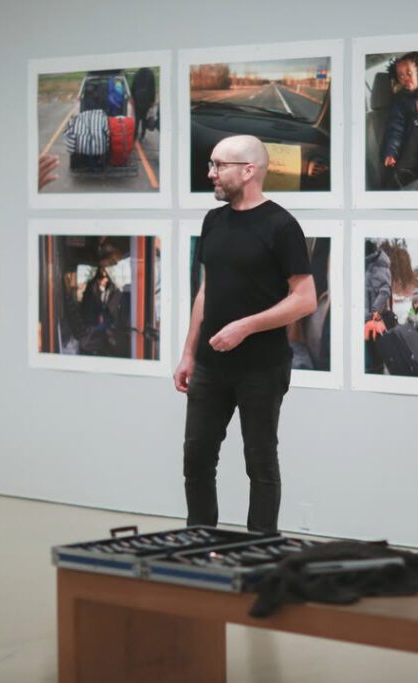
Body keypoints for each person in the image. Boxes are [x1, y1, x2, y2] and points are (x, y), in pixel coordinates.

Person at [173, 135, 316, 534]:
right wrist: (188, 353)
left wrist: (245, 326)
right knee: (196, 459)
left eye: (219, 166)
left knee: (260, 463)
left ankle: (260, 549)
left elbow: (304, 299)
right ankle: (200, 541)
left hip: (261, 368)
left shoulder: (281, 225)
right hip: (209, 365)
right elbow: (206, 289)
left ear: (248, 171)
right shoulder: (213, 220)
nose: (210, 173)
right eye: (212, 164)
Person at [381, 52, 418, 169]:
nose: (405, 79)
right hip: (414, 150)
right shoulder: (400, 103)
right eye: (401, 76)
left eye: (409, 73)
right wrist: (391, 152)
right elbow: (395, 129)